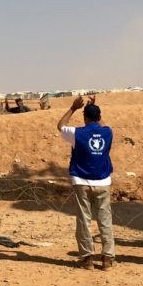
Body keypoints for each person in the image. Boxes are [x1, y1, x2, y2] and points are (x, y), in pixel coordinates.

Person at [58, 95, 115, 270]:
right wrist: (95, 107)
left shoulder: (78, 134)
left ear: (84, 118)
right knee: (105, 219)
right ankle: (107, 258)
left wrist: (73, 108)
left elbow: (60, 126)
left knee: (84, 219)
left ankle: (87, 258)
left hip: (81, 180)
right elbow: (103, 125)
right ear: (98, 117)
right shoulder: (107, 132)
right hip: (103, 180)